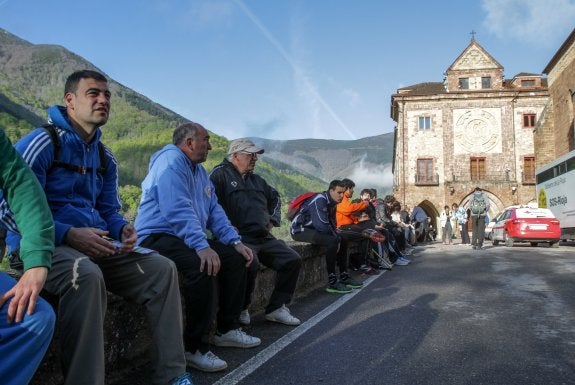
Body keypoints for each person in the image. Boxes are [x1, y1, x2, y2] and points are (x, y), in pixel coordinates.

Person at [8, 70, 193, 385]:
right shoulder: (42, 143)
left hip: (98, 244)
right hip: (42, 248)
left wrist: (123, 228)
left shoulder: (106, 157)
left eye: (107, 95)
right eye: (93, 93)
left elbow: (109, 210)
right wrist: (67, 233)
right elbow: (9, 210)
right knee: (87, 276)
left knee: (162, 268)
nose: (103, 100)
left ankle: (172, 374)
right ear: (70, 100)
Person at [135, 123, 261, 374]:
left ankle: (226, 329)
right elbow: (176, 209)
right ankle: (195, 348)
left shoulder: (199, 172)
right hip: (157, 235)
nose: (211, 145)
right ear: (189, 142)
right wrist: (201, 246)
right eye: (206, 140)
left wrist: (234, 241)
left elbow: (214, 211)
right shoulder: (170, 162)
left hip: (183, 236)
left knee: (237, 259)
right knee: (201, 266)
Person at [210, 138, 302, 327]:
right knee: (250, 263)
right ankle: (242, 308)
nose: (255, 159)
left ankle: (277, 308)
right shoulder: (219, 175)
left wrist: (273, 220)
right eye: (250, 155)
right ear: (235, 155)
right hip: (238, 238)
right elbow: (209, 206)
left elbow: (275, 198)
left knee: (292, 259)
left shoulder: (257, 180)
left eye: (255, 155)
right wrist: (224, 229)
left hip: (263, 236)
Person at [0, 129, 56, 385]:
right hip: (67, 239)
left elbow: (20, 184)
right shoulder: (43, 142)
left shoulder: (102, 157)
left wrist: (37, 261)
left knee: (35, 317)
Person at [290, 180, 363, 294]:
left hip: (313, 229)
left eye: (343, 193)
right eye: (339, 192)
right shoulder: (320, 200)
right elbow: (322, 226)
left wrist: (339, 238)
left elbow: (332, 223)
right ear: (331, 190)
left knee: (343, 238)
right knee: (333, 241)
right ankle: (333, 282)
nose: (341, 195)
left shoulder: (333, 202)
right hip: (300, 230)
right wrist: (336, 239)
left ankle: (344, 276)